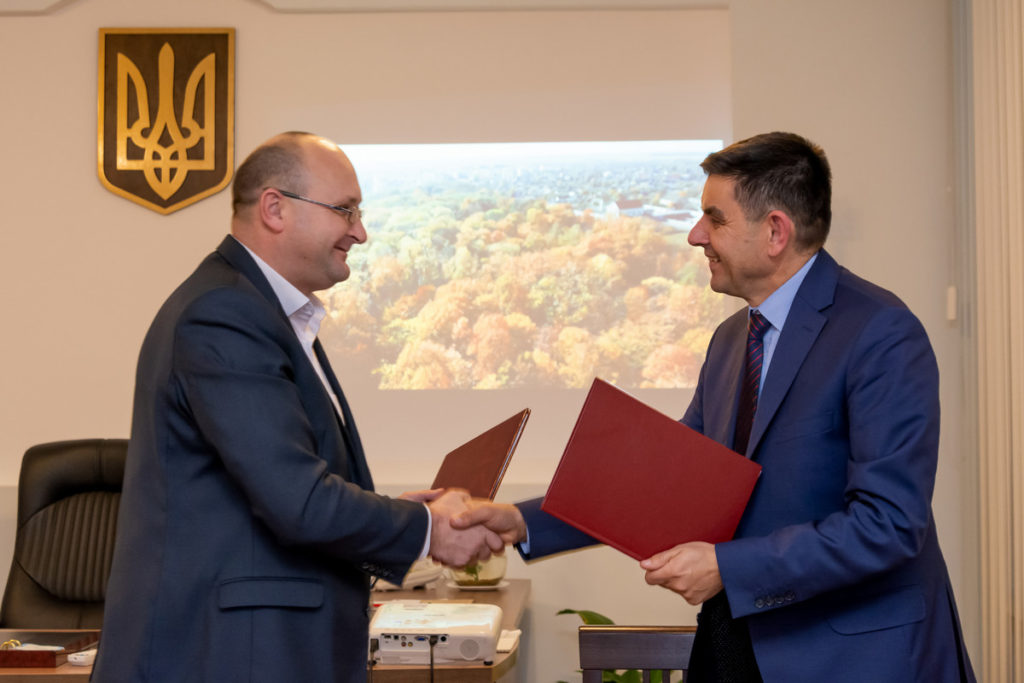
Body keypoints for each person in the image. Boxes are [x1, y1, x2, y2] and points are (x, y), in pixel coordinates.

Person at [454, 132, 976, 682]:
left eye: (714, 219)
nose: (695, 235)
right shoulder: (731, 340)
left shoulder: (881, 332)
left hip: (852, 660)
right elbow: (669, 482)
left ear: (775, 231)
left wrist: (728, 567)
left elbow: (889, 524)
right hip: (737, 643)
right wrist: (521, 522)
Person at [93, 132, 502, 683]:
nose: (359, 231)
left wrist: (393, 513)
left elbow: (283, 486)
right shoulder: (224, 314)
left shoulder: (263, 311)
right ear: (275, 208)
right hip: (229, 657)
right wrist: (428, 527)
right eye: (345, 210)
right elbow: (298, 501)